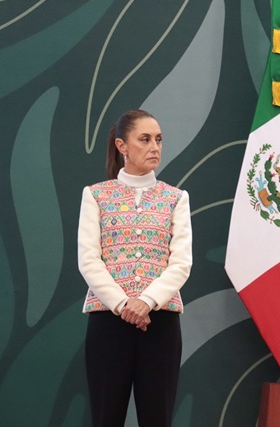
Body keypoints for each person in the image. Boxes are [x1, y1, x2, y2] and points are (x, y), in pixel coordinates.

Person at [78, 109, 192, 427]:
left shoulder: (176, 198)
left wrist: (147, 301)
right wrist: (123, 304)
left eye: (158, 139)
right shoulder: (96, 195)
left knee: (158, 419)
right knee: (106, 418)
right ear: (122, 146)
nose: (154, 147)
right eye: (145, 139)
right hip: (108, 322)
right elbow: (88, 259)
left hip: (161, 323)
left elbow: (181, 262)